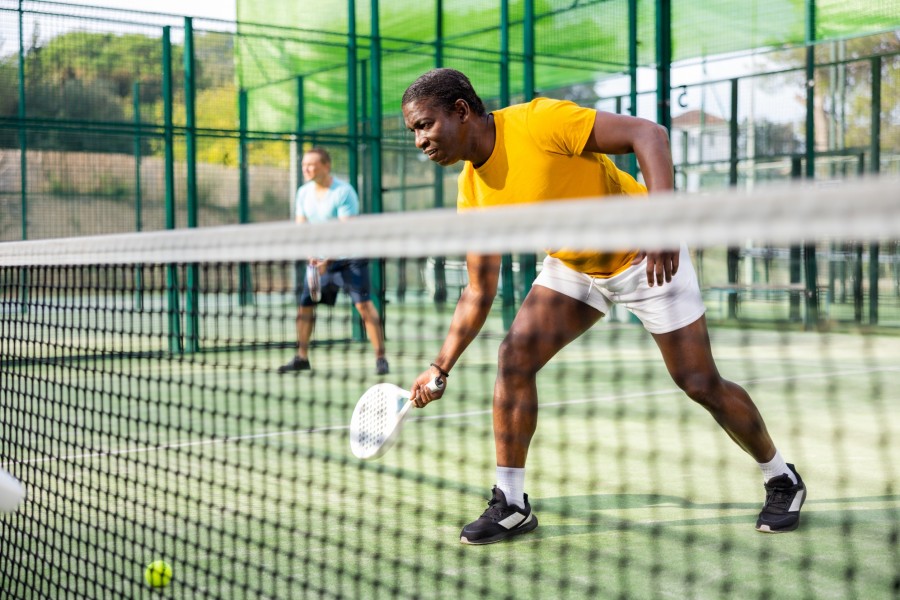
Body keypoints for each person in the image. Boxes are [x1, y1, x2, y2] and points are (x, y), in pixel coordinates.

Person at [401, 68, 806, 545]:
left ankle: (782, 477)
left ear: (461, 111)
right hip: (575, 265)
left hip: (644, 254)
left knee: (698, 381)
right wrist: (439, 366)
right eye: (413, 131)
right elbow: (478, 290)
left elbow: (647, 134)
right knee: (514, 357)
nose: (419, 141)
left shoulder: (538, 122)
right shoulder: (472, 191)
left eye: (424, 125)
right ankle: (511, 502)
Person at [278, 147, 389, 376]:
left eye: (312, 165)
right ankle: (302, 357)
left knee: (363, 306)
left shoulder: (344, 192)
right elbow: (302, 229)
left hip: (350, 257)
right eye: (304, 165)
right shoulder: (303, 193)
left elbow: (346, 233)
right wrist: (311, 255)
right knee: (305, 306)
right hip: (319, 261)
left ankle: (380, 357)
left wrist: (328, 258)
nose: (306, 169)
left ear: (326, 166)